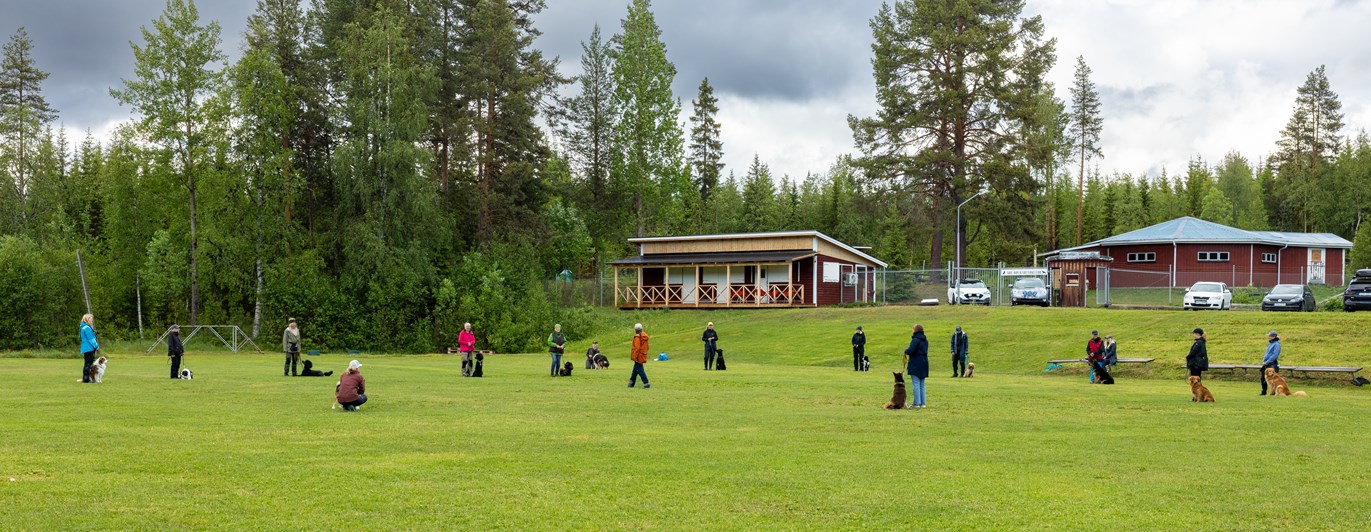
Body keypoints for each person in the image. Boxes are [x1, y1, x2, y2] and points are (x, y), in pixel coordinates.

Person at [903, 324, 929, 408]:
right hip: (924, 362)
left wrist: (905, 351)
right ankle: (923, 403)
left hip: (916, 363)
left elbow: (911, 350)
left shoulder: (915, 340)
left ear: (915, 330)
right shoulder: (925, 340)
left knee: (916, 383)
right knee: (922, 383)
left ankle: (916, 403)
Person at [79, 313, 99, 383]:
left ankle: (87, 378)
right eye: (91, 319)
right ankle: (86, 379)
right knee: (88, 364)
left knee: (87, 363)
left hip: (86, 348)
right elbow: (91, 339)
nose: (92, 321)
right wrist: (96, 346)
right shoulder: (87, 328)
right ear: (87, 319)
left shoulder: (83, 327)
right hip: (89, 348)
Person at [629, 323, 651, 389]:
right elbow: (647, 347)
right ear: (641, 329)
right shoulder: (644, 336)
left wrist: (634, 357)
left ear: (635, 329)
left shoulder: (637, 337)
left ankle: (646, 382)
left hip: (638, 355)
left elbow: (636, 348)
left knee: (640, 369)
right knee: (635, 369)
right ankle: (631, 382)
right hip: (643, 354)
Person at [1261, 330, 1281, 395]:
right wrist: (1263, 360)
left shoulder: (1277, 344)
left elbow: (1275, 355)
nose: (1268, 337)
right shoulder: (1270, 343)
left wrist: (1267, 361)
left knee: (1273, 380)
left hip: (1272, 363)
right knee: (1263, 377)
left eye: (1269, 336)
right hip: (1266, 363)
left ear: (1273, 337)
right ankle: (1263, 392)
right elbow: (1267, 353)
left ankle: (1273, 393)